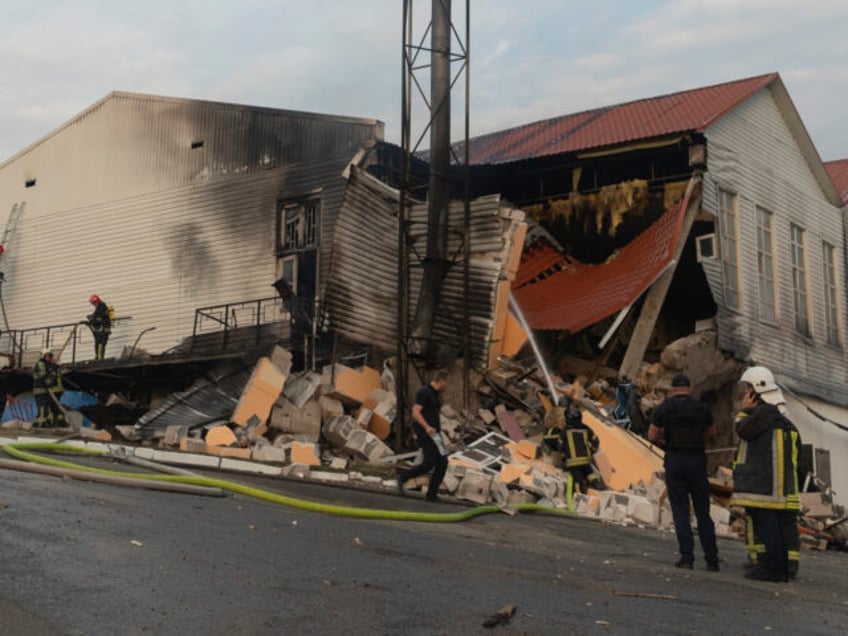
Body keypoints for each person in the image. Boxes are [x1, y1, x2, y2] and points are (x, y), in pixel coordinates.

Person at [730, 366, 801, 583]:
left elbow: (743, 430)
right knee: (778, 526)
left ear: (756, 392)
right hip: (777, 484)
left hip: (765, 484)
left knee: (767, 525)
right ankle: (780, 566)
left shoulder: (763, 414)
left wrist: (744, 411)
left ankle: (773, 568)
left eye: (748, 389)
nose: (745, 393)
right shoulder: (782, 420)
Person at [648, 373, 719, 571]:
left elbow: (652, 435)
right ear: (689, 387)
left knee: (680, 511)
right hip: (696, 461)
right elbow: (711, 432)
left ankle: (687, 558)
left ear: (673, 389)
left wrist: (665, 435)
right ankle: (712, 560)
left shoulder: (664, 408)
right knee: (703, 512)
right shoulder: (702, 408)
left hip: (675, 461)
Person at [397, 369, 450, 502]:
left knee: (443, 462)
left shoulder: (436, 394)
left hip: (436, 435)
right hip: (425, 433)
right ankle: (403, 477)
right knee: (429, 463)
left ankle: (431, 494)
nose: (447, 385)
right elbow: (415, 412)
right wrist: (426, 427)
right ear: (442, 380)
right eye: (446, 382)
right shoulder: (424, 392)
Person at [543, 400, 600, 494]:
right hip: (568, 465)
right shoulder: (556, 432)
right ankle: (580, 491)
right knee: (579, 476)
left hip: (575, 462)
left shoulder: (570, 431)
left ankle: (590, 486)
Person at [32, 349, 65, 427]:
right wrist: (52, 373)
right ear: (43, 356)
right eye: (48, 356)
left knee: (46, 407)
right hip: (40, 390)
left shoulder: (47, 364)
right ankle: (41, 423)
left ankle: (44, 422)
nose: (50, 358)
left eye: (51, 356)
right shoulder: (41, 363)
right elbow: (44, 377)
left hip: (45, 390)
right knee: (43, 407)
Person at [87, 294, 112, 360]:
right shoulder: (98, 307)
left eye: (94, 302)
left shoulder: (102, 307)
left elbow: (101, 317)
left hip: (104, 329)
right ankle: (98, 357)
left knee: (101, 343)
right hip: (101, 329)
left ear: (97, 301)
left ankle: (100, 358)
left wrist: (93, 320)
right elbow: (96, 316)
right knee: (98, 343)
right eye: (93, 303)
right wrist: (91, 318)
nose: (93, 304)